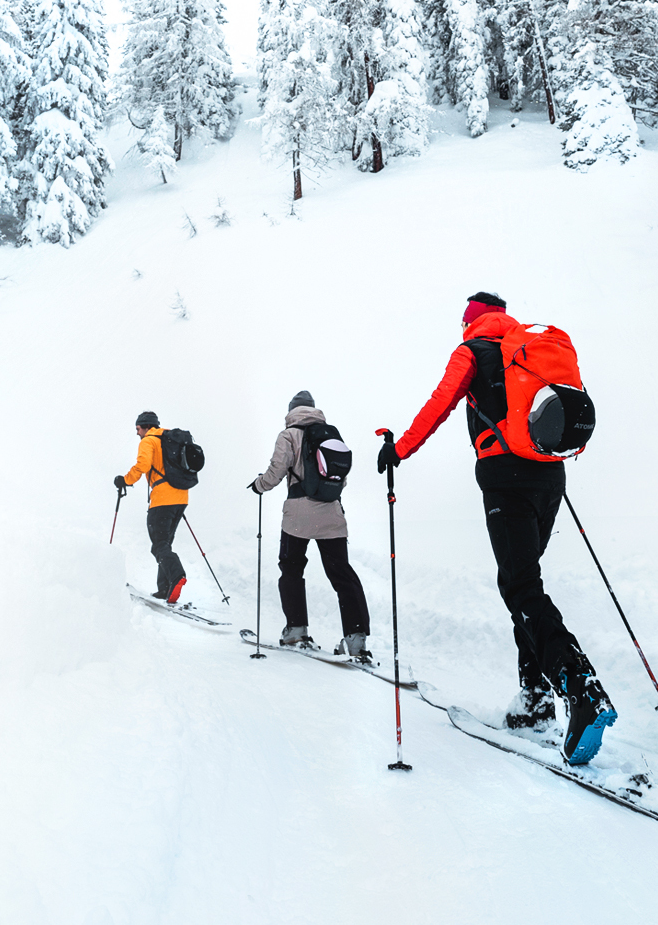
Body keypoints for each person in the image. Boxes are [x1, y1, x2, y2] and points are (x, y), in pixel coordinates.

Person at [378, 292, 617, 765]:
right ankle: (535, 699)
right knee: (524, 584)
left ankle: (580, 687)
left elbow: (440, 403)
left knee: (520, 587)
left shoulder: (473, 351)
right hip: (550, 475)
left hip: (505, 478)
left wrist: (399, 449)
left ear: (471, 320)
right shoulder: (532, 350)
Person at [248, 392, 372, 660]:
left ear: (291, 411)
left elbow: (276, 471)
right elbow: (340, 478)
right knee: (342, 574)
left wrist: (259, 485)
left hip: (298, 515)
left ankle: (296, 630)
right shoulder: (331, 435)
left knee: (291, 568)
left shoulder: (288, 435)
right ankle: (357, 640)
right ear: (313, 410)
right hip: (332, 513)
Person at [117, 411, 189, 604]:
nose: (137, 433)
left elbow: (142, 466)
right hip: (181, 497)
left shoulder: (148, 441)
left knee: (159, 544)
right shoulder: (169, 440)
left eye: (138, 428)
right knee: (165, 543)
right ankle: (164, 589)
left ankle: (176, 576)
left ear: (146, 426)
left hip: (163, 499)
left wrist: (125, 480)